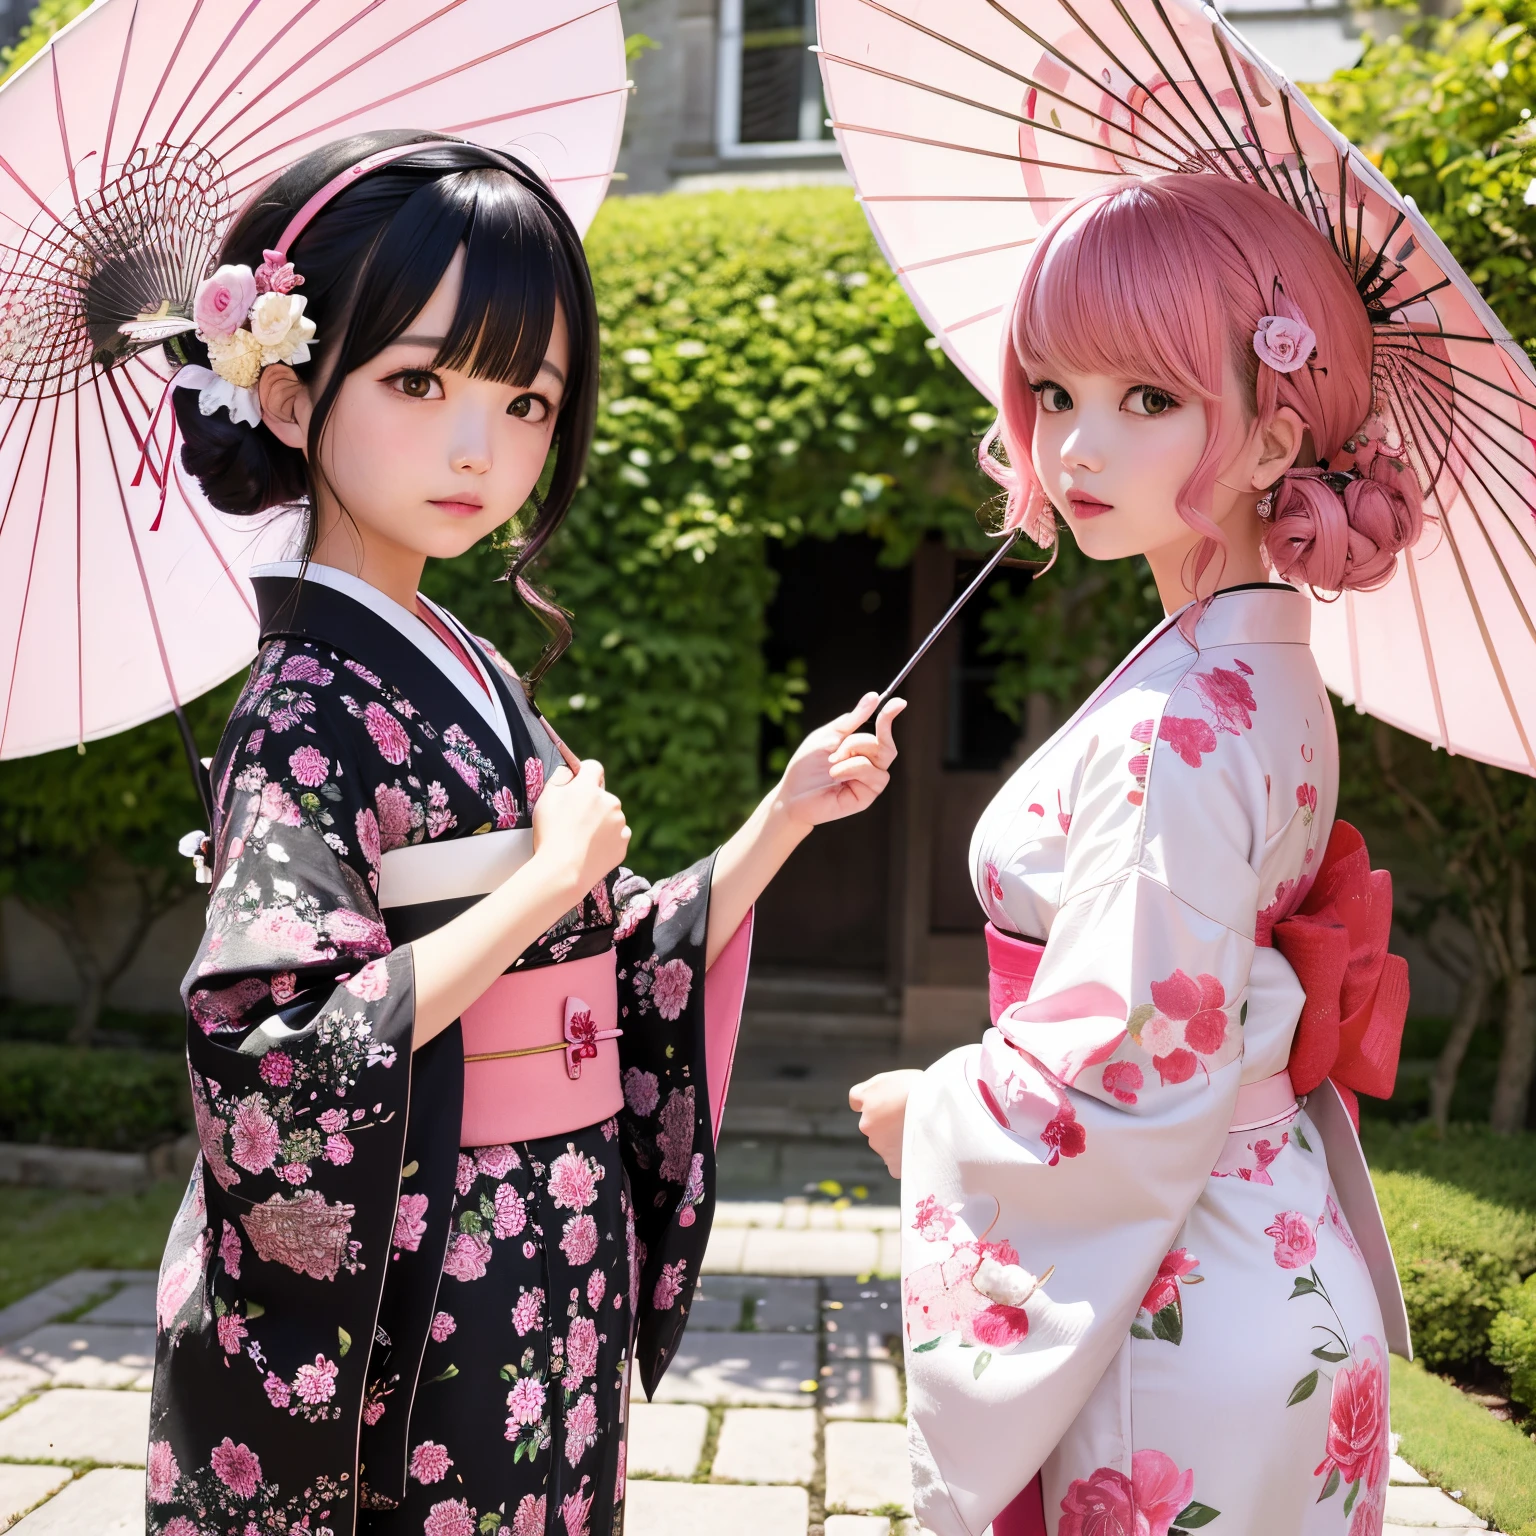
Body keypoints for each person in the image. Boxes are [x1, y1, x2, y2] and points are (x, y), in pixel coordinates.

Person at [147, 130, 903, 1536]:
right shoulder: (304, 707)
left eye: (527, 398)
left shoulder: (466, 662)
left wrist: (782, 817)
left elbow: (608, 960)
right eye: (421, 381)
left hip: (551, 1239)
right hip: (424, 1280)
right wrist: (552, 872)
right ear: (295, 394)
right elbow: (277, 1049)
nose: (478, 443)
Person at [849, 174, 1418, 1536]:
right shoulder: (1263, 668)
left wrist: (928, 1115)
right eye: (1055, 393)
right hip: (1267, 1251)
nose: (1076, 449)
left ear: (1278, 433)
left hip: (1175, 1305)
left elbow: (1135, 1054)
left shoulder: (1179, 726)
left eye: (1148, 401)